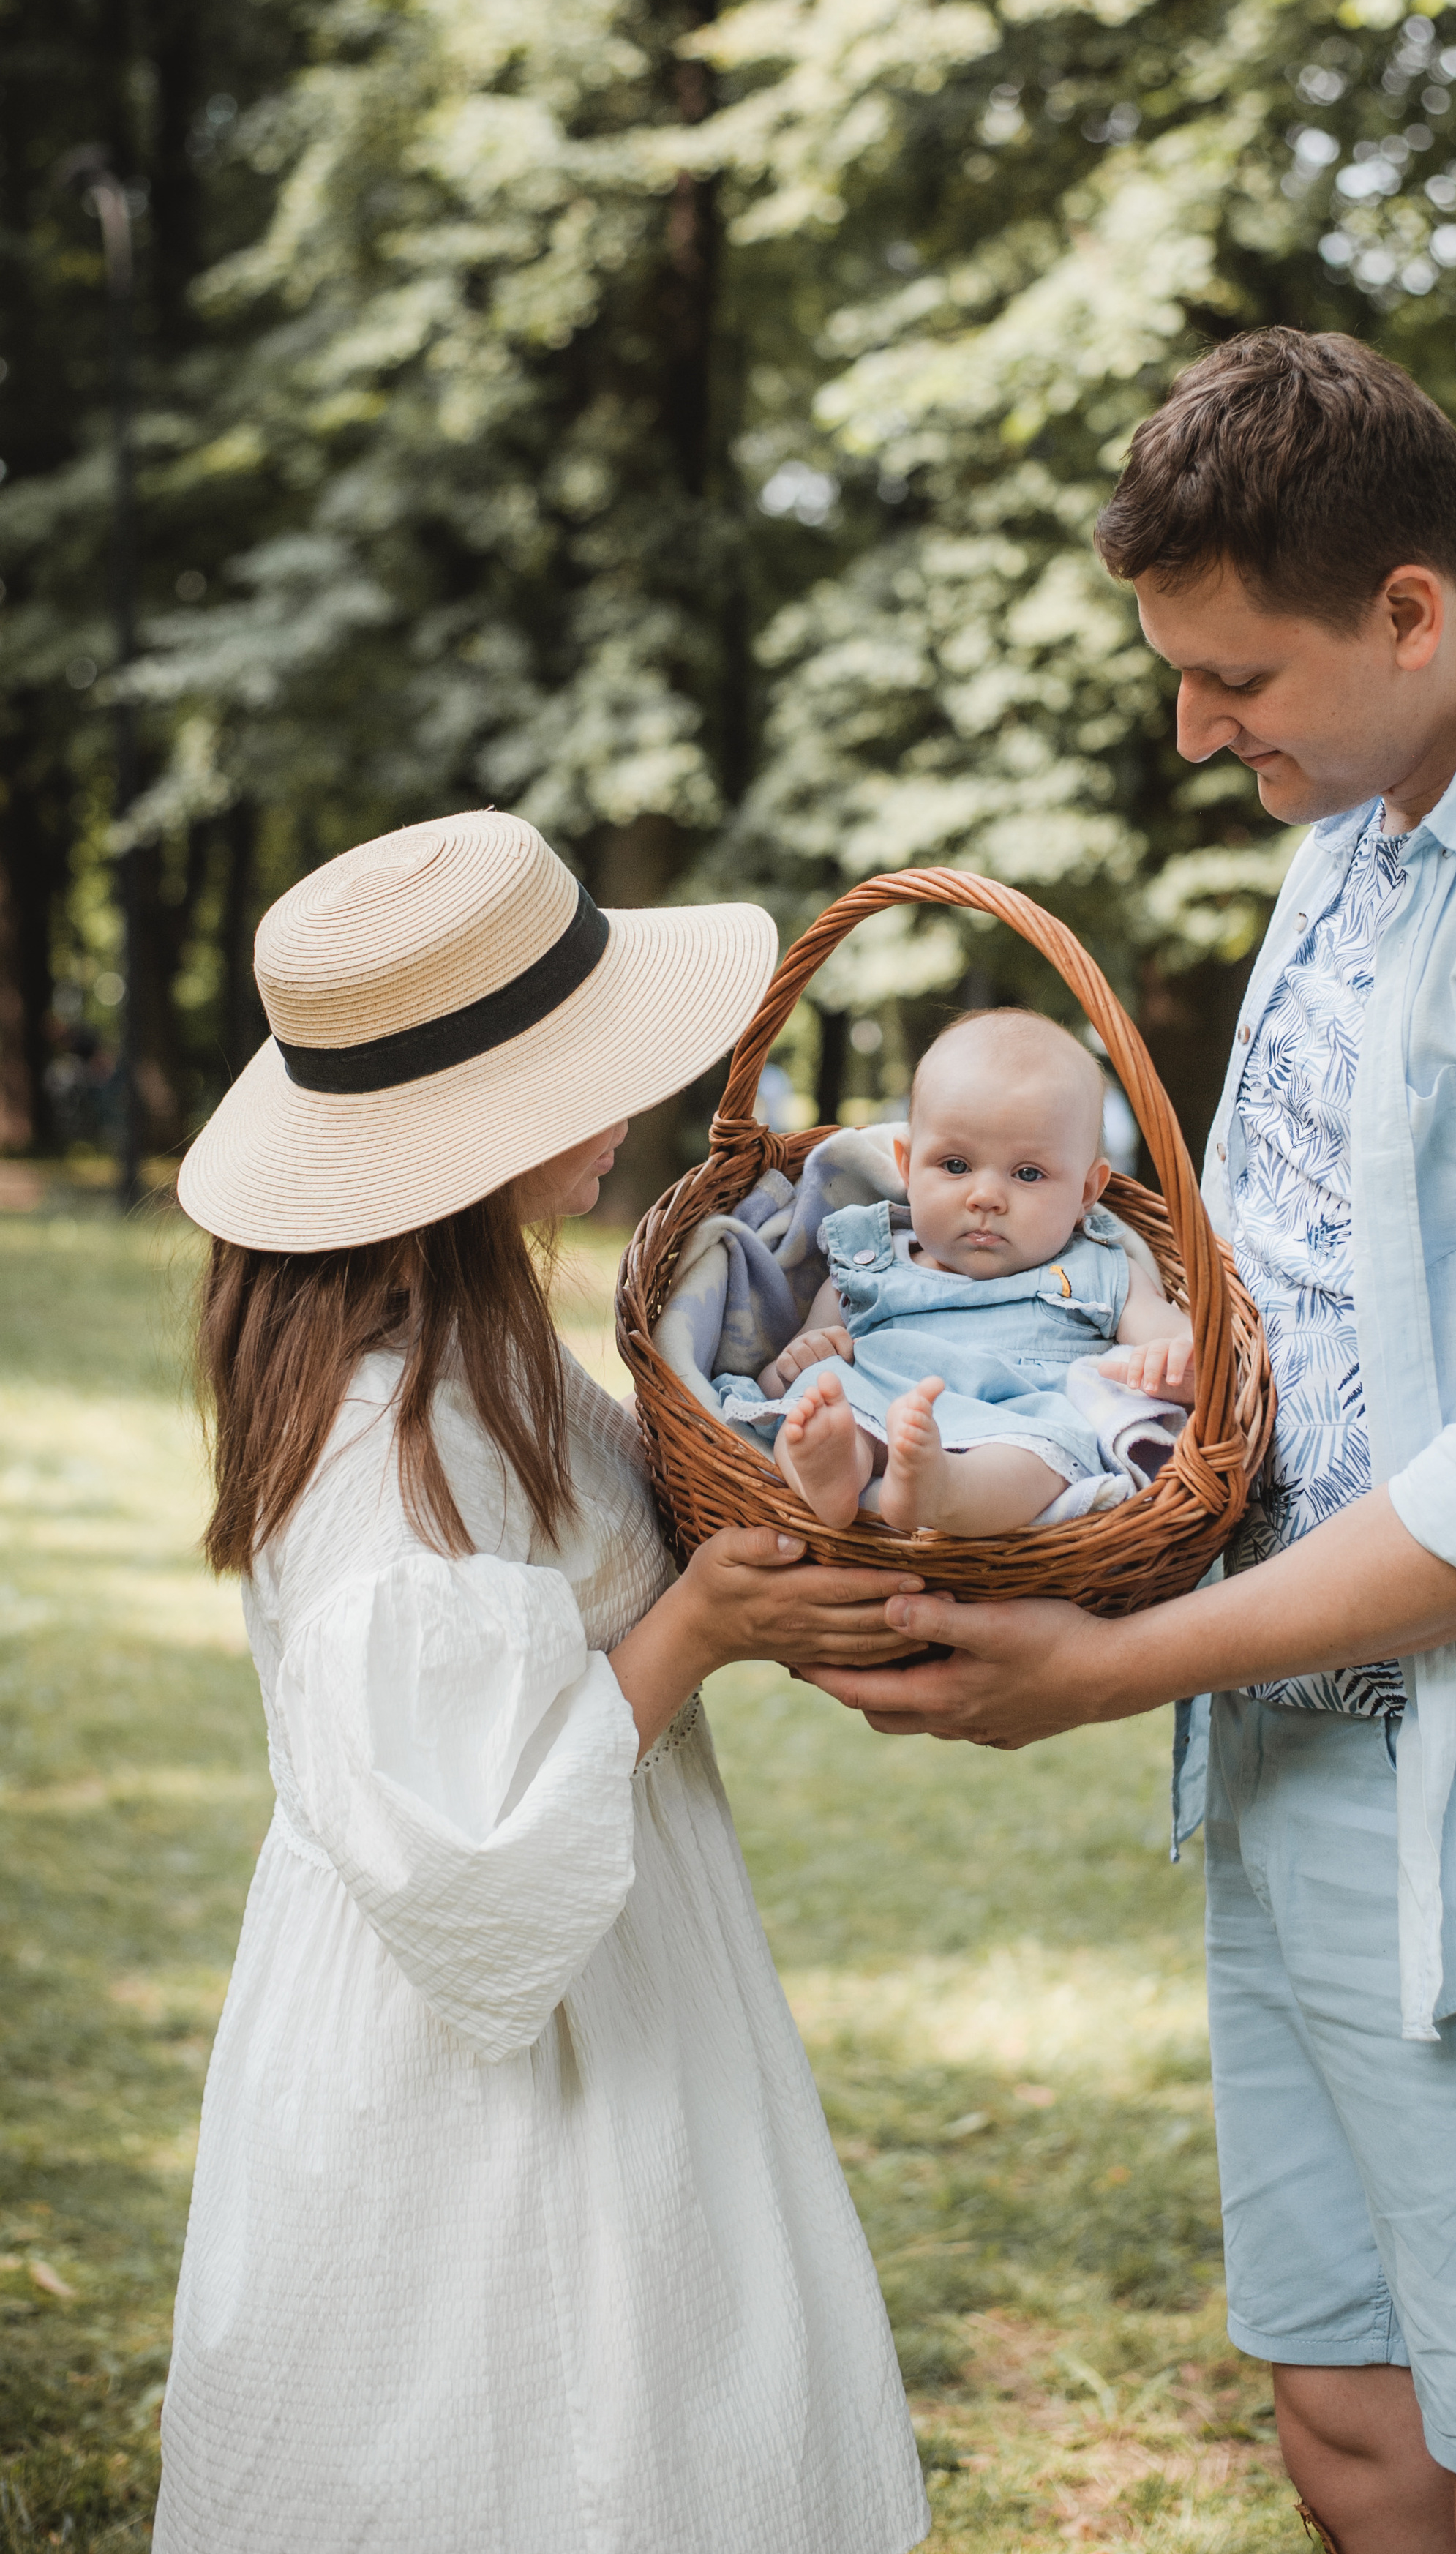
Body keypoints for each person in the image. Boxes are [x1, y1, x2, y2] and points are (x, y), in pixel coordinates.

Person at [800, 329, 1456, 2554]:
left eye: (1228, 671)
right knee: (1349, 2432)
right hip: (1291, 1759)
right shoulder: (1355, 813)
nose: (1191, 727)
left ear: (1411, 614)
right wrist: (1128, 1360)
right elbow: (1286, 1239)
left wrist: (1098, 1674)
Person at [155, 810, 931, 2554]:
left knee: (665, 2397)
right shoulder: (374, 1442)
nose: (626, 1107)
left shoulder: (482, 1326)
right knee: (527, 2432)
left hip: (625, 1965)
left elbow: (626, 1540)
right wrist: (692, 1632)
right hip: (480, 2036)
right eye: (584, 1075)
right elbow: (468, 1841)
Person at [721, 1008, 1193, 1532]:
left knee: (1047, 1457)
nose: (986, 1196)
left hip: (1020, 1422)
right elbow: (784, 1373)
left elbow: (1184, 1344)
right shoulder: (868, 1261)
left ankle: (941, 1491)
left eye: (1028, 1173)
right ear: (906, 1167)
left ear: (1086, 1192)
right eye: (955, 1166)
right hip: (880, 1402)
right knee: (820, 1396)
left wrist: (1177, 1362)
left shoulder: (1101, 1268)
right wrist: (798, 1363)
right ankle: (832, 1470)